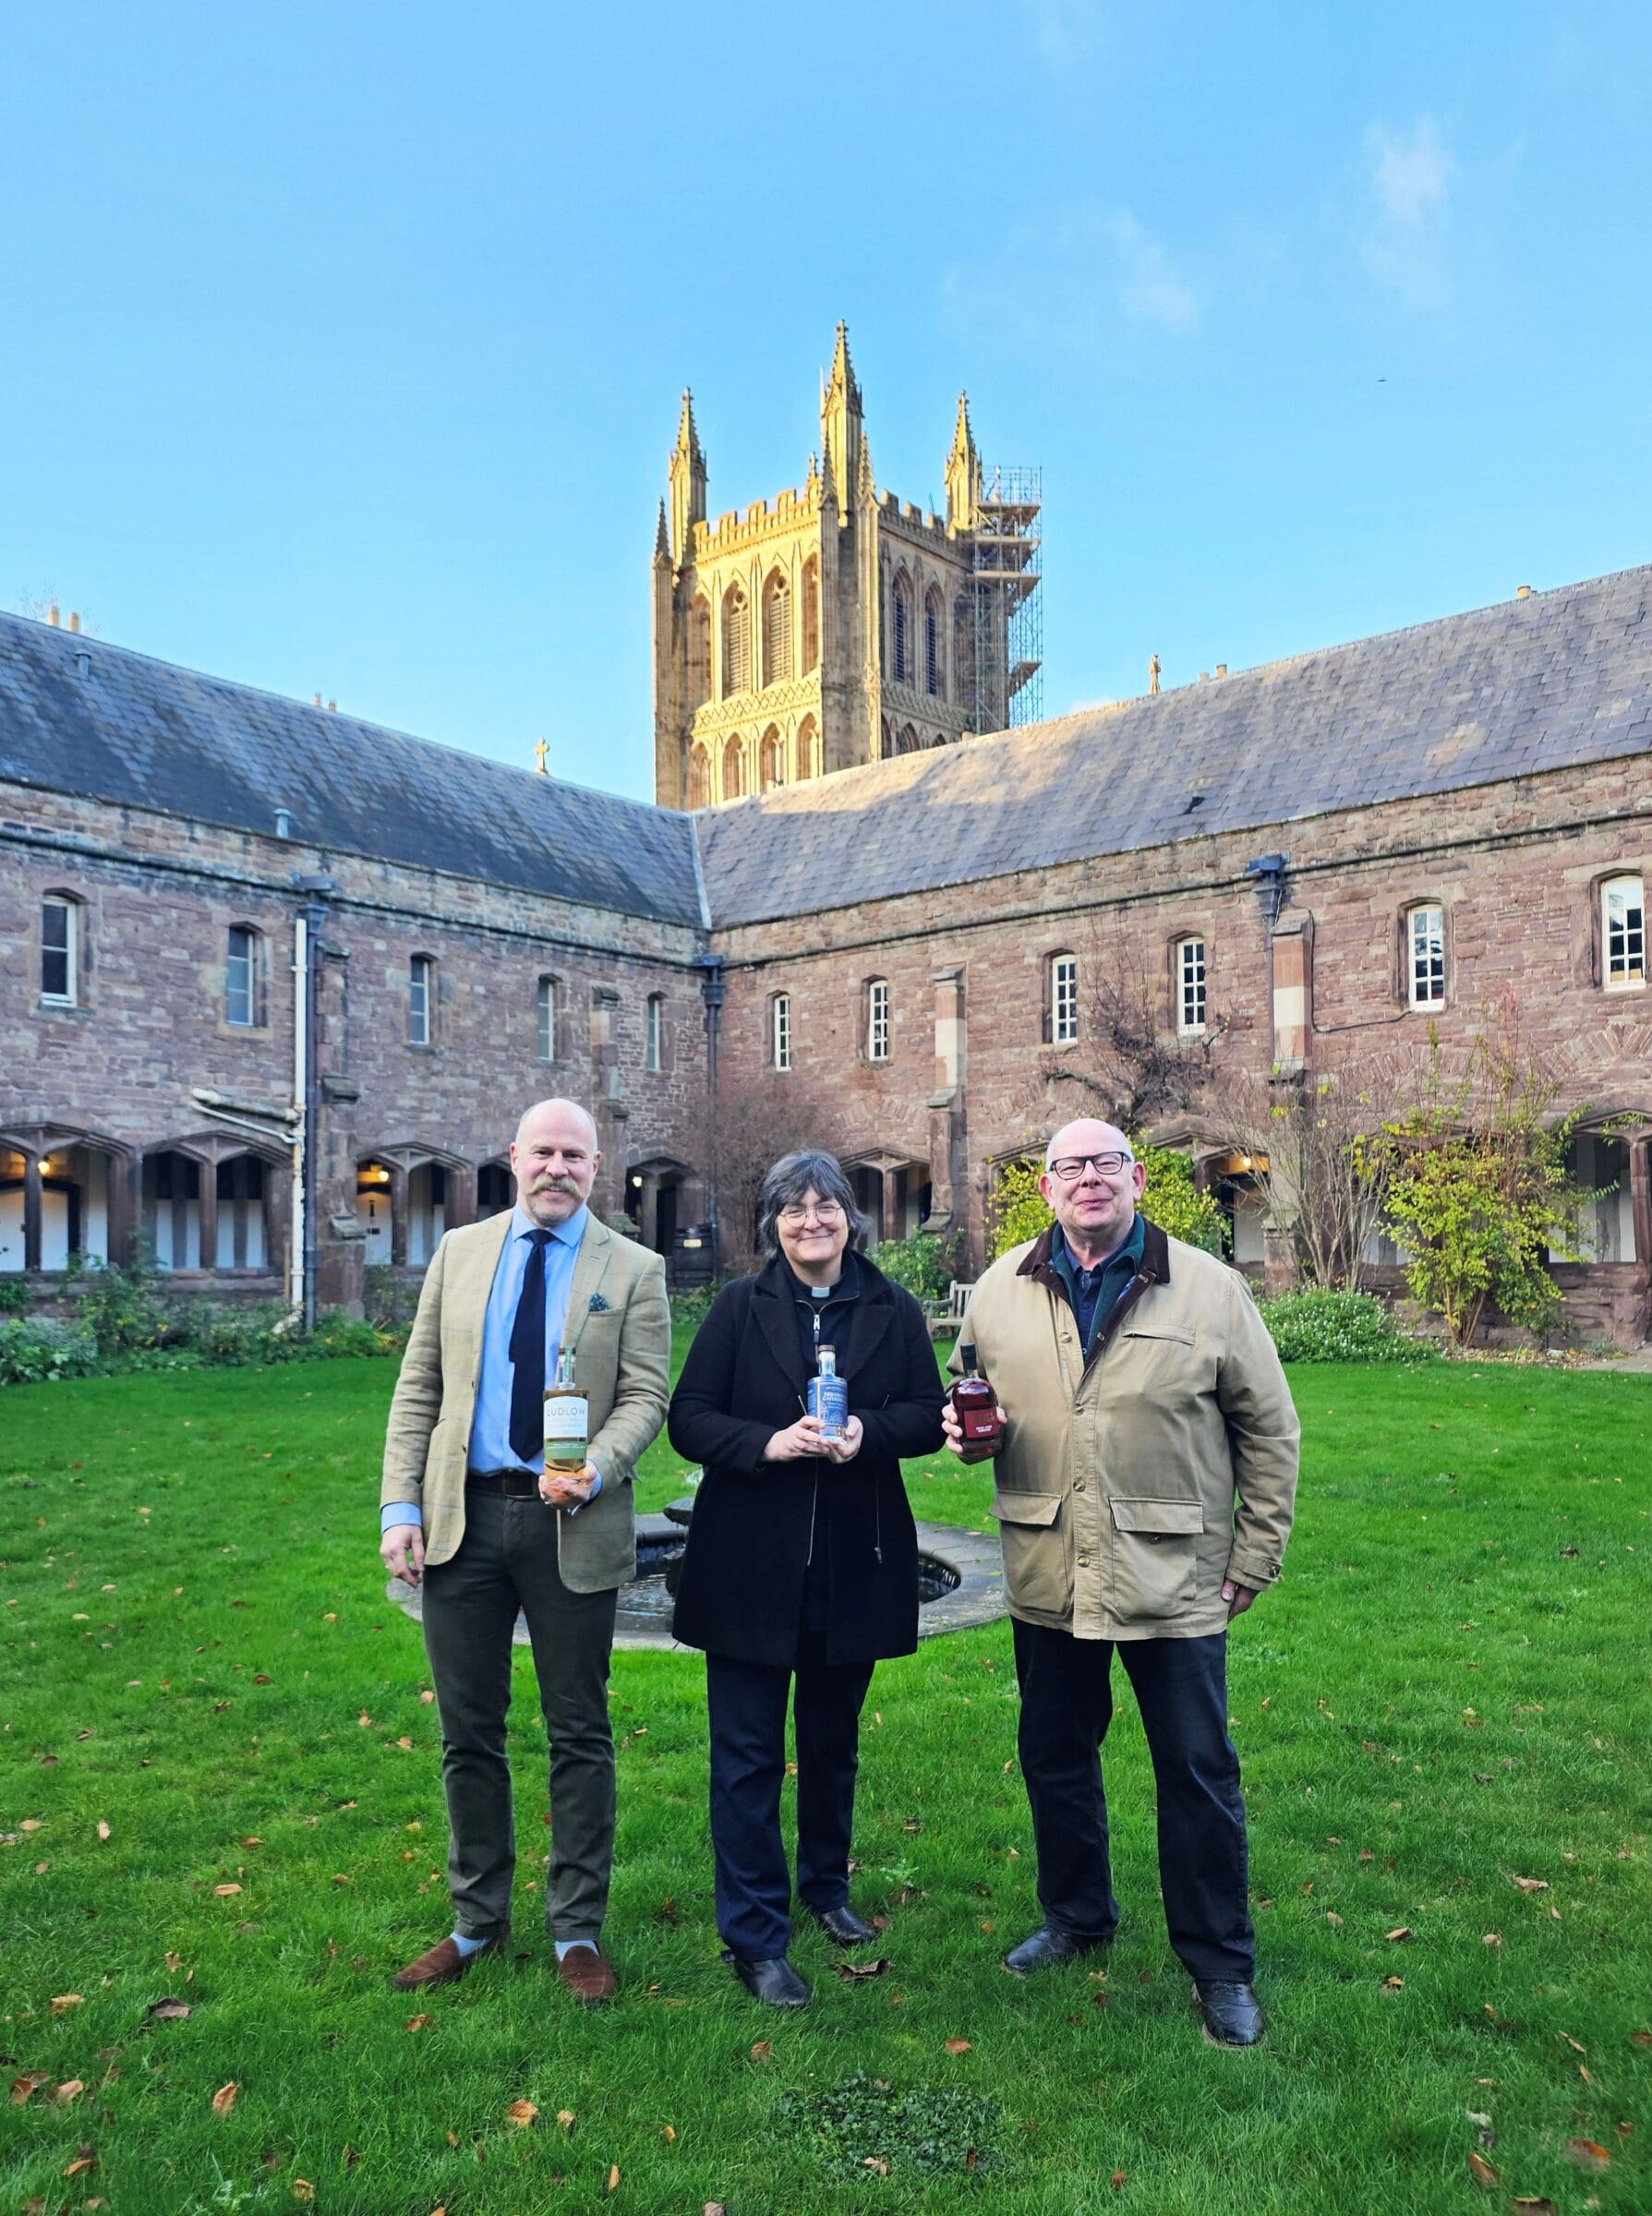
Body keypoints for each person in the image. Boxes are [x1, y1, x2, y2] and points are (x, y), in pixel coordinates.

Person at [945, 1118, 1298, 2048]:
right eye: (1070, 1167)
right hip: (1047, 1568)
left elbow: (1269, 1431)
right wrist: (963, 1433)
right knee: (1056, 1758)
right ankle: (1076, 1917)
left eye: (1105, 1164)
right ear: (1047, 1190)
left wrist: (1253, 1555)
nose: (1088, 1180)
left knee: (1196, 1774)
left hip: (1172, 1574)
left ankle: (1219, 1967)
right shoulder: (998, 1290)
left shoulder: (1210, 1290)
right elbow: (968, 1397)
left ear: (1137, 1178)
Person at [379, 1098, 670, 2003]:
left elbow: (645, 1393)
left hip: (569, 1528)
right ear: (514, 1157)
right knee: (468, 1735)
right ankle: (475, 1921)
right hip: (463, 1522)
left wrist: (601, 1468)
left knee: (578, 1732)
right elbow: (418, 1384)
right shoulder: (462, 1253)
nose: (557, 1167)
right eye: (542, 1151)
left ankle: (576, 1930)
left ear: (596, 1169)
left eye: (574, 1156)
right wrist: (400, 1504)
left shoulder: (634, 1268)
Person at [668, 1150, 945, 2007]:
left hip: (852, 1564)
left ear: (849, 1221)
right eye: (793, 1210)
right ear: (774, 1224)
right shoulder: (738, 1309)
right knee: (747, 1757)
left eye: (826, 1207)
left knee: (831, 1746)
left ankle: (825, 1889)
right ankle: (754, 1936)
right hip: (748, 1564)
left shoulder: (890, 1308)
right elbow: (690, 1420)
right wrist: (766, 1444)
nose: (811, 1222)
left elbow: (924, 1417)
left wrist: (866, 1430)